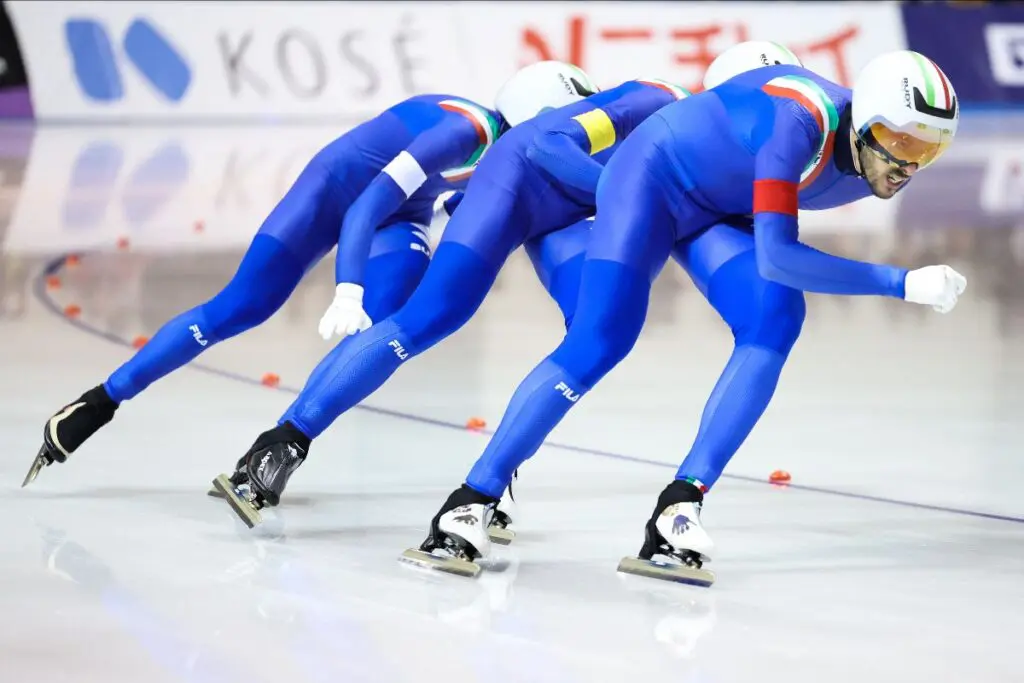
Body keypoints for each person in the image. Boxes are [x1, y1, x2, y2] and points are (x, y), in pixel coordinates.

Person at [409, 49, 967, 585]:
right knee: (601, 339)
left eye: (930, 150)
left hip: (716, 205)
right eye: (899, 140)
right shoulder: (801, 124)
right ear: (864, 122)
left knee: (775, 318)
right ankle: (470, 502)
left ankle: (680, 506)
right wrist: (902, 282)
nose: (908, 163)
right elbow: (778, 256)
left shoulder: (865, 148)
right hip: (649, 179)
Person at [25, 67, 595, 488]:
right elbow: (364, 207)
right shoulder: (464, 129)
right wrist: (346, 286)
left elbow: (449, 208)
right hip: (338, 196)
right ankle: (100, 401)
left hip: (401, 215)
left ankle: (277, 447)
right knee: (242, 307)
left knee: (387, 332)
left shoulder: (508, 162)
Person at [212, 61, 700, 528]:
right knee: (435, 321)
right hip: (534, 203)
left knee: (584, 336)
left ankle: (491, 476)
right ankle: (288, 440)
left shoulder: (653, 128)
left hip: (546, 210)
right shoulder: (658, 104)